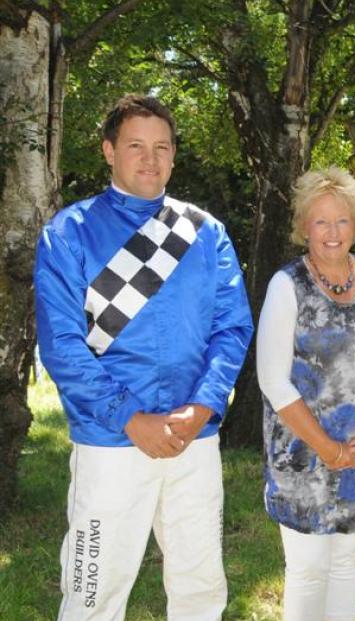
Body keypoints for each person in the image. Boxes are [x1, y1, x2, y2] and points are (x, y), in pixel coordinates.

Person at [34, 94, 253, 620]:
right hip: (111, 441)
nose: (150, 159)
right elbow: (61, 345)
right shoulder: (69, 232)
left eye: (161, 147)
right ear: (110, 151)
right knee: (93, 591)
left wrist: (202, 407)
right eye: (136, 146)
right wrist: (128, 417)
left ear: (174, 156)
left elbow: (232, 328)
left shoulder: (206, 233)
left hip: (192, 438)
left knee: (200, 587)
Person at [256, 166, 355, 621]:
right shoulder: (287, 285)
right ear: (304, 227)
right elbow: (272, 379)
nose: (333, 233)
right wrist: (326, 448)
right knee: (309, 569)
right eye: (321, 222)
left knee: (347, 564)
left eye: (342, 221)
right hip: (303, 452)